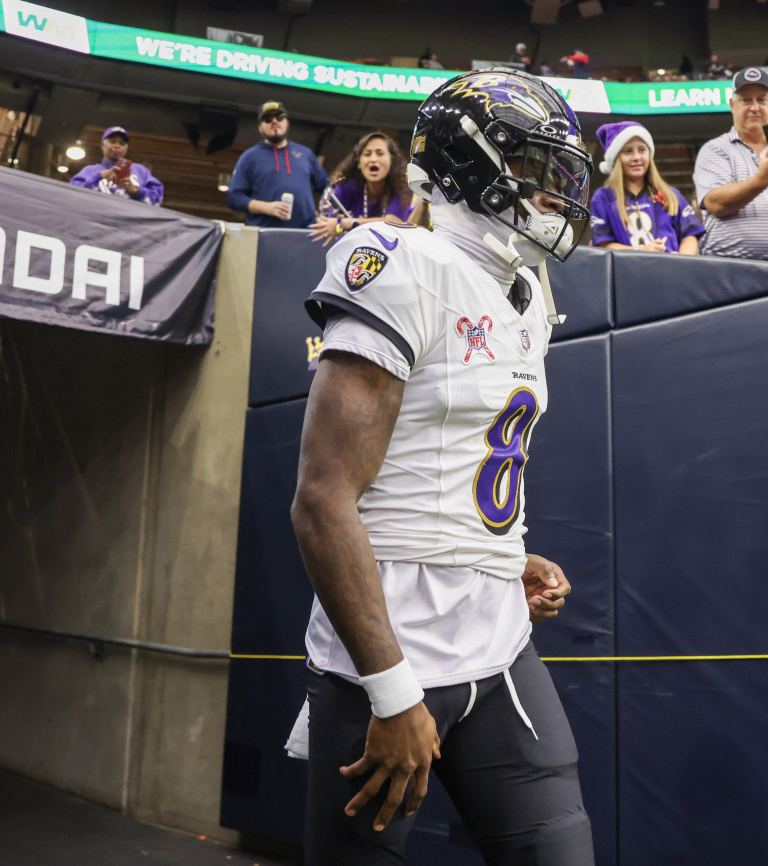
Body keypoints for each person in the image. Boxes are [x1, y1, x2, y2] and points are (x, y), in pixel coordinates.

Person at [290, 68, 595, 865]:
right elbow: (324, 499)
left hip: (496, 636)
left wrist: (502, 555)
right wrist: (392, 691)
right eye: (533, 169)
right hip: (389, 653)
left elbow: (445, 463)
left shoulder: (524, 288)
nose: (554, 194)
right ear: (472, 166)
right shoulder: (402, 261)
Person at [692, 67, 768, 262]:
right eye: (746, 100)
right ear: (732, 105)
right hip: (725, 266)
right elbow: (716, 204)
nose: (755, 107)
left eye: (761, 100)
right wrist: (763, 179)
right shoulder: (715, 150)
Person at [589, 121, 704, 254]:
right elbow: (602, 245)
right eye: (628, 151)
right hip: (626, 272)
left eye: (642, 150)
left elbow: (690, 234)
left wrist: (682, 261)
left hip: (671, 272)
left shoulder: (671, 194)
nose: (637, 157)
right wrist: (642, 250)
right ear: (615, 158)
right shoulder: (603, 197)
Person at [227, 100, 330, 228]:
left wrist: (329, 216)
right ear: (260, 127)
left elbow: (327, 188)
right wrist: (266, 207)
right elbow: (234, 197)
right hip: (264, 234)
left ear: (287, 122)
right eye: (267, 119)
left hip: (305, 233)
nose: (274, 121)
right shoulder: (249, 157)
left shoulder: (306, 154)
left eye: (279, 117)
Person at [308, 132, 414, 246]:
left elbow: (393, 224)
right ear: (359, 163)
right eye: (367, 154)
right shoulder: (345, 186)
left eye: (380, 153)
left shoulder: (402, 187)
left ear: (391, 161)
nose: (373, 159)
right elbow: (331, 225)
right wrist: (336, 224)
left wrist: (347, 223)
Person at [68, 126, 164, 205]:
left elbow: (157, 201)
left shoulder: (140, 171)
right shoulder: (90, 171)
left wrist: (135, 190)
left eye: (122, 143)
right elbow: (71, 195)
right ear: (103, 145)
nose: (117, 146)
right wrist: (99, 177)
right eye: (113, 141)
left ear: (126, 149)